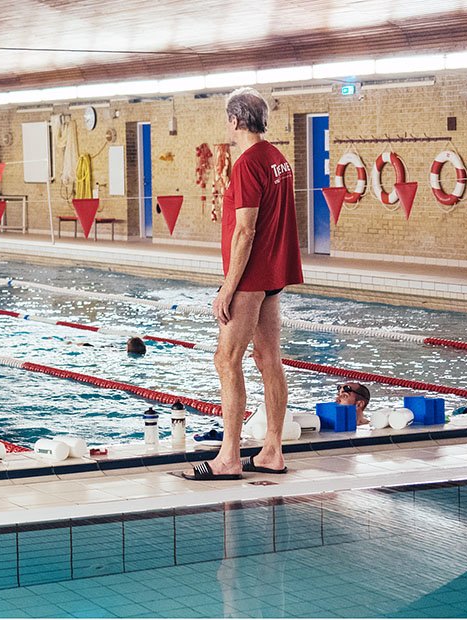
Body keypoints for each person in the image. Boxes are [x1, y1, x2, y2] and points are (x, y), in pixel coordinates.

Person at [184, 87, 304, 481]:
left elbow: (245, 231)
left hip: (251, 276)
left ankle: (229, 458)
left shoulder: (249, 163)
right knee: (268, 357)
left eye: (228, 119)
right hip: (272, 274)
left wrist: (228, 288)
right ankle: (272, 451)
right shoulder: (278, 159)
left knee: (227, 360)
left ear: (235, 120)